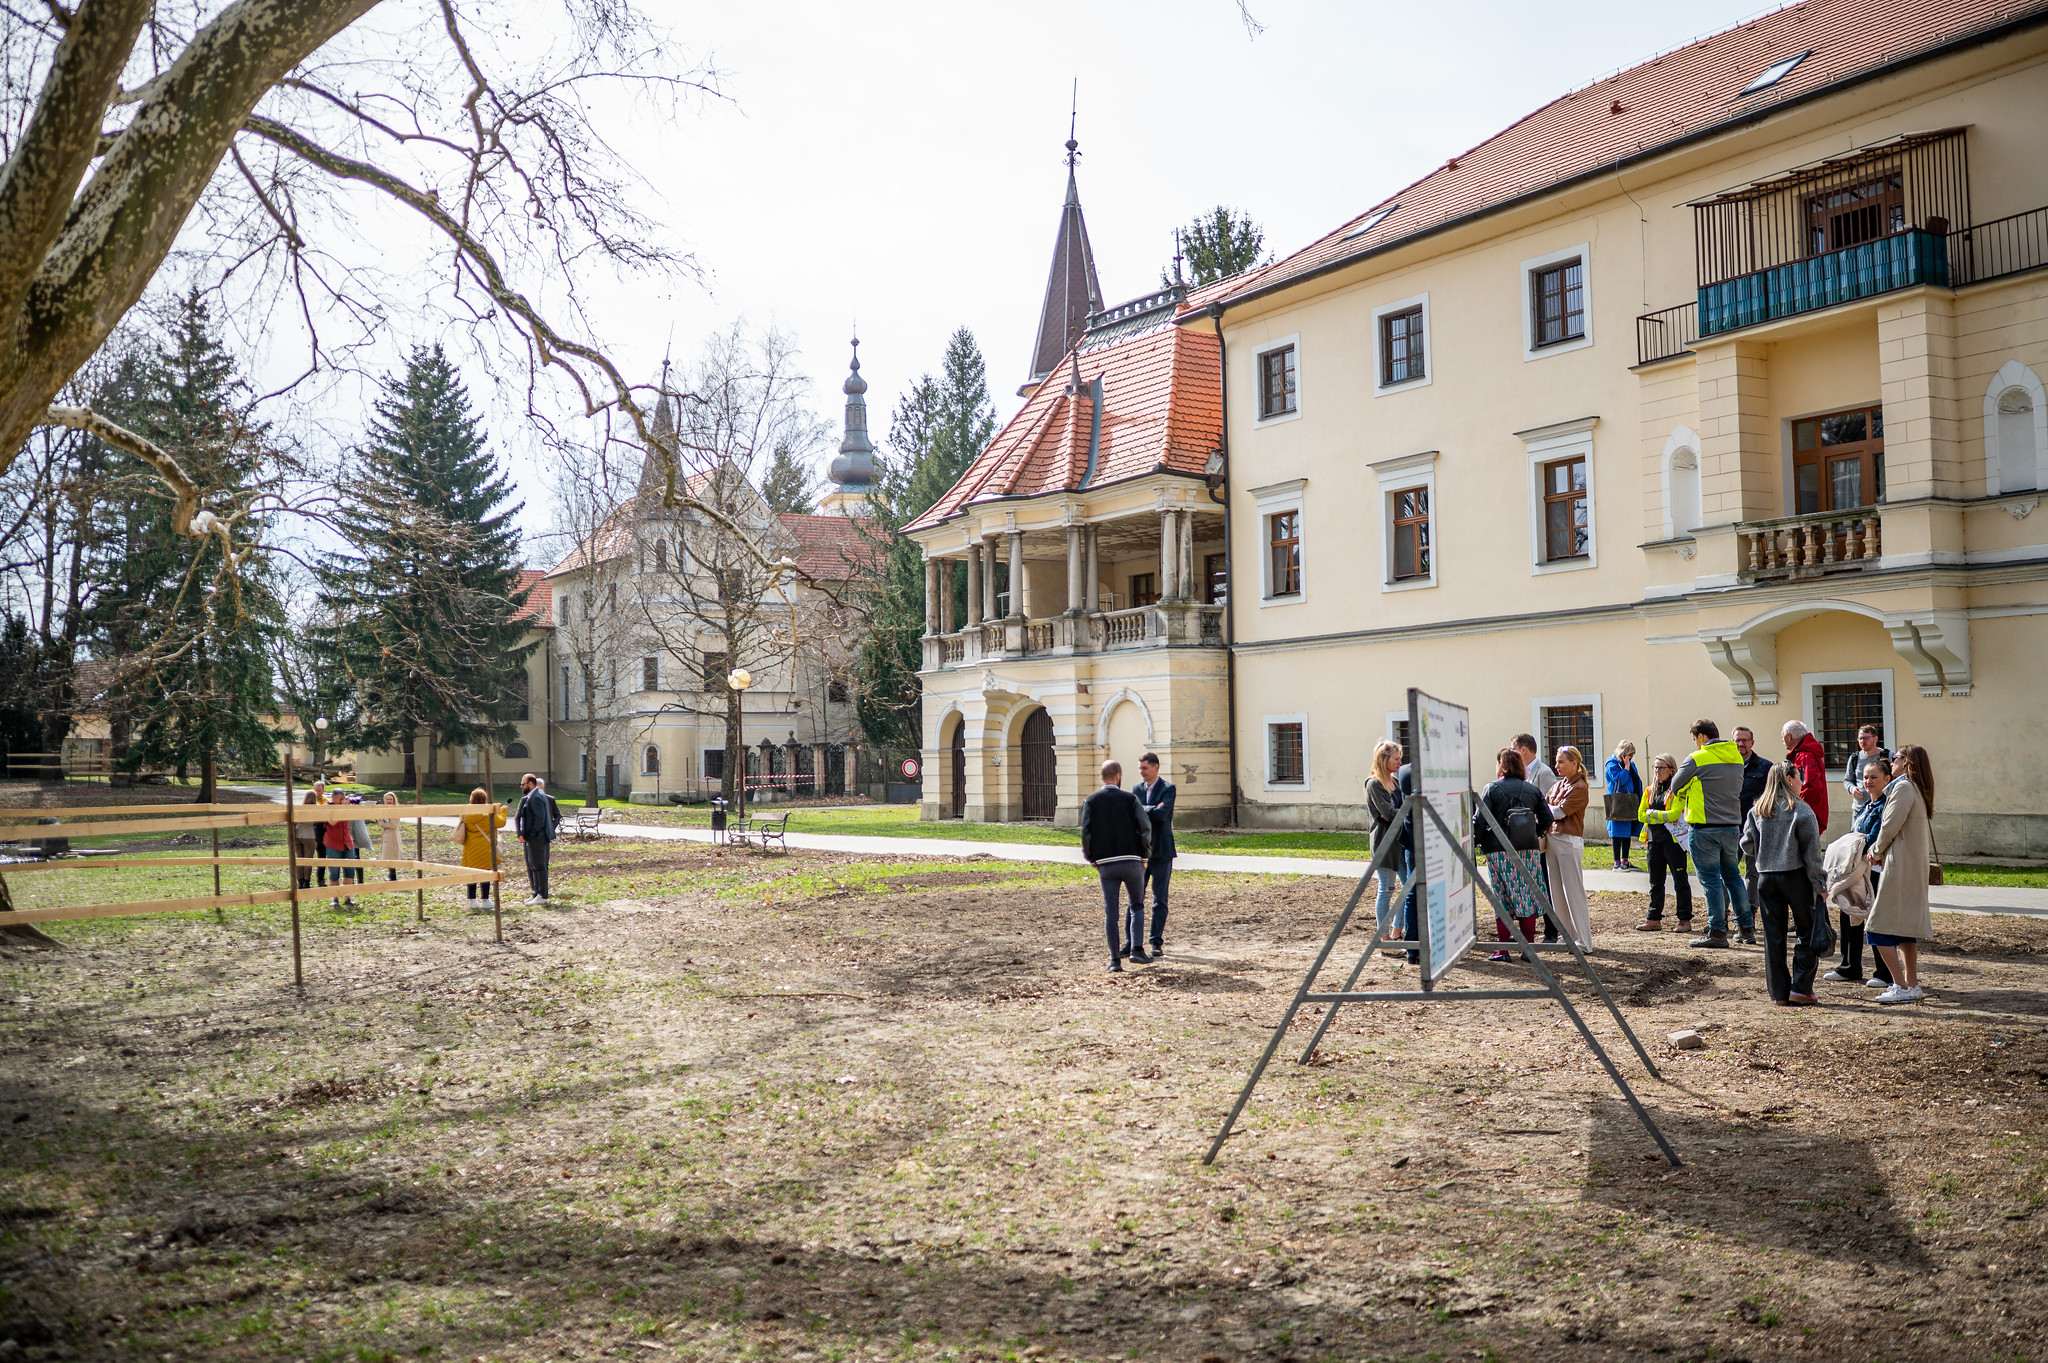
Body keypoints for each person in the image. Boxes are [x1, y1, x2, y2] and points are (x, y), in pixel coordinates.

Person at [1741, 761, 1832, 1005]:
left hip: (1766, 878)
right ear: (1790, 780)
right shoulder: (1801, 810)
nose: (1801, 782)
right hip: (1795, 876)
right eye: (1799, 777)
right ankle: (1801, 988)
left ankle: (1779, 993)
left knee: (1773, 936)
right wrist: (1819, 885)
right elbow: (1813, 854)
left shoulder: (1756, 811)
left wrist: (1765, 850)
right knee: (1807, 931)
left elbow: (1746, 844)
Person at [1670, 718, 1752, 949]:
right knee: (1733, 877)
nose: (1695, 743)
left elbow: (1675, 786)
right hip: (1731, 826)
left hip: (1704, 828)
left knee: (1711, 881)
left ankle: (1717, 931)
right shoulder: (1735, 756)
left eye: (1694, 738)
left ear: (1701, 736)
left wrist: (1692, 785)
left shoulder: (1697, 758)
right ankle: (1746, 928)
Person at [1866, 745, 1936, 1004]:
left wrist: (1876, 850)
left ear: (1907, 763)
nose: (1890, 761)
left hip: (1899, 865)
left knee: (1878, 926)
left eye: (1895, 757)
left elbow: (1889, 825)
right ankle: (1912, 985)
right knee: (1905, 929)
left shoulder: (1904, 787)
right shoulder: (1916, 787)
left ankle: (1899, 984)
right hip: (1910, 866)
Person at [1473, 748, 1552, 961]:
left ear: (1501, 764)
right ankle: (1528, 950)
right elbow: (1547, 819)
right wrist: (1534, 832)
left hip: (1499, 851)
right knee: (1527, 897)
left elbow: (1480, 821)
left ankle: (1503, 950)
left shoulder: (1491, 788)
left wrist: (1477, 841)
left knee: (1502, 899)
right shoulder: (1532, 790)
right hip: (1528, 850)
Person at [1825, 758, 1893, 985]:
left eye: (1874, 777)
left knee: (1874, 919)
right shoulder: (1866, 806)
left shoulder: (1885, 806)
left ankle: (1884, 973)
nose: (1868, 781)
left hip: (1874, 870)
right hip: (1856, 871)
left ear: (1887, 779)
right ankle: (1849, 966)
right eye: (1865, 777)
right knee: (1850, 914)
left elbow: (1873, 839)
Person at [1080, 760, 1151, 971]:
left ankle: (1114, 960)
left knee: (1111, 911)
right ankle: (1137, 949)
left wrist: (1092, 858)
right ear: (1118, 776)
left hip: (1106, 864)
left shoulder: (1090, 801)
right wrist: (1144, 855)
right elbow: (1145, 827)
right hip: (1132, 860)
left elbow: (1086, 834)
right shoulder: (1130, 799)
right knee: (1136, 905)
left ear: (1102, 777)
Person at [1634, 753, 1694, 932]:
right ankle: (1653, 918)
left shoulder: (1677, 790)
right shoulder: (1649, 790)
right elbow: (1640, 815)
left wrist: (1652, 814)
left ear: (1671, 770)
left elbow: (1675, 814)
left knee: (1680, 880)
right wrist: (1660, 816)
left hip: (1673, 841)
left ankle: (1684, 919)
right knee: (1655, 881)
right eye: (1655, 767)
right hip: (1654, 841)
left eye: (1661, 768)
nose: (1657, 771)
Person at [1543, 747, 1592, 949]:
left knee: (1573, 892)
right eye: (1556, 762)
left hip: (1568, 841)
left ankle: (1584, 941)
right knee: (1556, 892)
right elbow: (1545, 806)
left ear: (1574, 763)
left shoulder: (1580, 787)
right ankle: (1568, 936)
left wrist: (1542, 810)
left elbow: (1558, 812)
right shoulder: (1558, 785)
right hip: (1552, 839)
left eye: (1561, 762)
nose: (1557, 766)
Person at [1133, 752, 1176, 956]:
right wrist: (1150, 809)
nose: (1141, 772)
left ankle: (1155, 941)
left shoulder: (1168, 788)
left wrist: (1144, 810)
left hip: (1162, 852)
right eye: (1140, 768)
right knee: (1136, 898)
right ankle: (1132, 942)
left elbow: (1162, 815)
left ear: (1156, 767)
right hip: (1142, 852)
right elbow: (1134, 816)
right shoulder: (1136, 789)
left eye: (1145, 768)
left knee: (1160, 899)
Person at [1364, 740, 1405, 947]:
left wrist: (1401, 812)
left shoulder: (1395, 781)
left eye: (1400, 758)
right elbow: (1389, 814)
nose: (1400, 761)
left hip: (1401, 841)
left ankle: (1397, 932)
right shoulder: (1374, 783)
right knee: (1387, 889)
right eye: (1396, 758)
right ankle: (1384, 938)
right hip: (1385, 843)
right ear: (1384, 759)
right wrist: (1404, 811)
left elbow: (1397, 810)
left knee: (1408, 888)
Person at [1733, 726, 1773, 927]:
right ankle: (1731, 912)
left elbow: (1772, 797)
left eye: (1745, 740)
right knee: (1729, 871)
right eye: (1737, 740)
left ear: (1752, 742)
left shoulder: (1765, 768)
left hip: (1754, 829)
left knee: (1753, 872)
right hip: (1730, 826)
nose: (1741, 744)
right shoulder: (1726, 765)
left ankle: (1750, 912)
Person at [515, 772, 559, 903]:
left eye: (523, 784)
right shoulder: (534, 795)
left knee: (539, 866)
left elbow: (540, 819)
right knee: (534, 865)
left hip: (538, 838)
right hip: (536, 837)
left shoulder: (536, 797)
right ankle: (536, 893)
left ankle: (542, 895)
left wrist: (531, 834)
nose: (521, 787)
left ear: (530, 784)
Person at [458, 787, 507, 903]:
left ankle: (472, 900)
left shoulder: (465, 812)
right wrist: (503, 810)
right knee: (486, 872)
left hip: (470, 846)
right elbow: (500, 822)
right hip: (485, 847)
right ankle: (485, 899)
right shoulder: (487, 813)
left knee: (471, 873)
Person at [1782, 720, 1830, 833]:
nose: (1782, 739)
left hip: (1806, 818)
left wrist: (1796, 811)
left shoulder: (1804, 756)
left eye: (1782, 735)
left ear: (1789, 736)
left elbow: (1810, 786)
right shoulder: (1804, 753)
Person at [1604, 741, 1643, 870]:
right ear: (1623, 753)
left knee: (1626, 833)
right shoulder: (1612, 765)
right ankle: (1617, 862)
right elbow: (1620, 780)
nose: (1631, 757)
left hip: (1630, 802)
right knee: (1617, 834)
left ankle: (1625, 861)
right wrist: (1626, 767)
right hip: (1618, 804)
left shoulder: (1630, 764)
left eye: (1633, 754)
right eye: (1629, 754)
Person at [1844, 725, 1891, 819]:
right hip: (1859, 809)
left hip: (1881, 808)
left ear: (1875, 739)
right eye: (1860, 738)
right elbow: (1847, 780)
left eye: (1866, 738)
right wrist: (1852, 789)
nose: (1862, 741)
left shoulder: (1887, 756)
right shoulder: (1854, 758)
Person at [321, 802, 356, 909]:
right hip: (333, 843)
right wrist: (342, 808)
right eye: (341, 798)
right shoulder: (327, 806)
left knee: (350, 871)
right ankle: (335, 898)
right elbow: (332, 822)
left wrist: (351, 805)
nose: (343, 800)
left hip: (347, 843)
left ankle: (347, 898)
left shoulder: (347, 806)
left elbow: (354, 815)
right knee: (334, 871)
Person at [293, 789, 322, 891]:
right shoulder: (317, 809)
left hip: (298, 834)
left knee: (299, 859)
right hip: (310, 835)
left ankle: (299, 880)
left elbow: (294, 822)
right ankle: (306, 881)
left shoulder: (299, 808)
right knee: (308, 860)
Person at [379, 791, 404, 880]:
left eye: (390, 799)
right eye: (387, 799)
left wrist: (380, 823)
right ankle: (390, 875)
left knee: (392, 855)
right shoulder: (384, 810)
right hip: (386, 834)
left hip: (393, 835)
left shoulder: (396, 810)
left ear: (394, 800)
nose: (388, 801)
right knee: (387, 855)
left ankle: (393, 877)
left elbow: (393, 825)